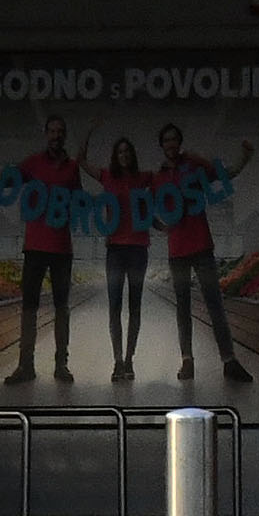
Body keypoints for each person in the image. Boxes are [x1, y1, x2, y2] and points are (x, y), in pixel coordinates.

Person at [0, 115, 87, 387]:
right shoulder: (33, 163)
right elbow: (5, 181)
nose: (56, 135)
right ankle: (26, 365)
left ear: (64, 136)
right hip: (34, 247)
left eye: (60, 131)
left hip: (61, 248)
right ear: (46, 134)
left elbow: (79, 203)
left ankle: (61, 364)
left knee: (61, 308)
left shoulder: (72, 169)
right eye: (52, 131)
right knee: (29, 308)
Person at [154, 121, 258, 386]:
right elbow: (144, 208)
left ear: (179, 142)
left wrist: (244, 159)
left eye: (174, 139)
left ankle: (229, 361)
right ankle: (187, 361)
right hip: (177, 249)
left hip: (201, 245)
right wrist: (160, 226)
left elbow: (227, 173)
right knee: (183, 308)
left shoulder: (195, 165)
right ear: (162, 146)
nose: (171, 144)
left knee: (214, 305)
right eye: (166, 140)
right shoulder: (159, 178)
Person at [96, 135, 157, 385]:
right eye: (119, 152)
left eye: (127, 152)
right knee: (114, 308)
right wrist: (91, 130)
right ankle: (117, 360)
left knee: (134, 307)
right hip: (115, 251)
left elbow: (166, 188)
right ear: (115, 155)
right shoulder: (107, 177)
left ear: (132, 155)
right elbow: (80, 160)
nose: (124, 156)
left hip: (138, 250)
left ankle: (129, 359)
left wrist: (164, 225)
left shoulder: (143, 179)